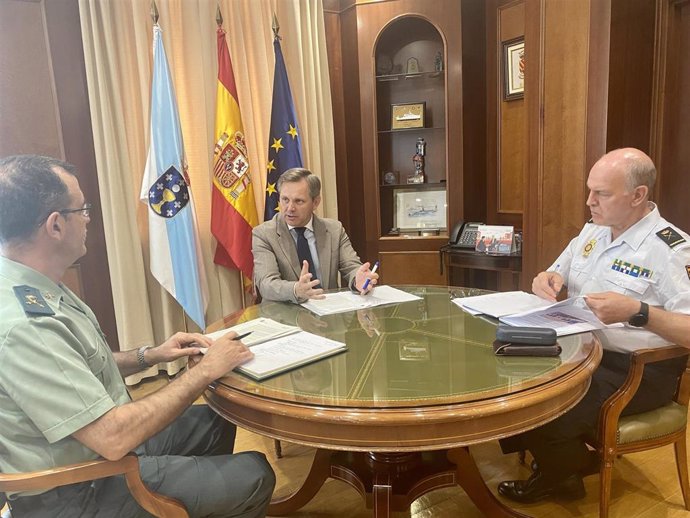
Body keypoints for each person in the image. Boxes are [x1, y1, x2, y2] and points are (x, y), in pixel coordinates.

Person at [0, 155, 275, 517]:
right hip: (79, 489)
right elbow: (112, 438)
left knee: (216, 419)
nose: (87, 219)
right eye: (82, 209)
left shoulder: (35, 281)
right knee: (256, 474)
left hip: (101, 447)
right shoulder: (24, 323)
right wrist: (203, 372)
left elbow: (78, 366)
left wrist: (152, 355)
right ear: (55, 226)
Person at [497, 148, 690, 503]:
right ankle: (561, 467)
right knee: (508, 380)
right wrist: (547, 279)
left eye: (601, 193)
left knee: (544, 407)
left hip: (637, 371)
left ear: (638, 195)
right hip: (582, 352)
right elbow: (555, 273)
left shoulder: (672, 251)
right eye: (590, 191)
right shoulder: (593, 232)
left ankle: (564, 471)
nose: (589, 201)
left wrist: (639, 311)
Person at [252, 168, 378, 302]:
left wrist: (356, 279)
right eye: (285, 200)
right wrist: (296, 289)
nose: (290, 208)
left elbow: (351, 266)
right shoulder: (264, 234)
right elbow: (266, 284)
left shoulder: (334, 230)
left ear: (316, 202)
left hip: (327, 313)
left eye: (299, 201)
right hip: (285, 316)